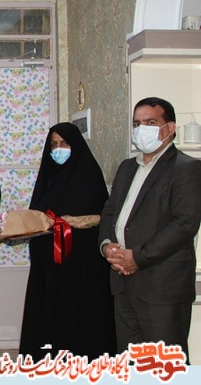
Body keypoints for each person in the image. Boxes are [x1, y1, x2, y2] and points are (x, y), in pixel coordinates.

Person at [99, 97, 201, 358]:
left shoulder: (187, 168)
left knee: (165, 364)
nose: (141, 129)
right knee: (130, 361)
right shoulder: (127, 167)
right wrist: (107, 246)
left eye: (150, 122)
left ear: (170, 128)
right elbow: (110, 212)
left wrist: (138, 258)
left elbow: (184, 224)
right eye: (137, 123)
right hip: (123, 282)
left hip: (162, 287)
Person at [19, 122, 116, 361]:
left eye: (64, 143)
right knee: (49, 311)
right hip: (48, 260)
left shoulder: (89, 175)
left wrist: (68, 224)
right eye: (53, 144)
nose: (58, 149)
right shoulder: (47, 176)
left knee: (79, 311)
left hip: (82, 262)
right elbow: (37, 213)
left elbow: (98, 217)